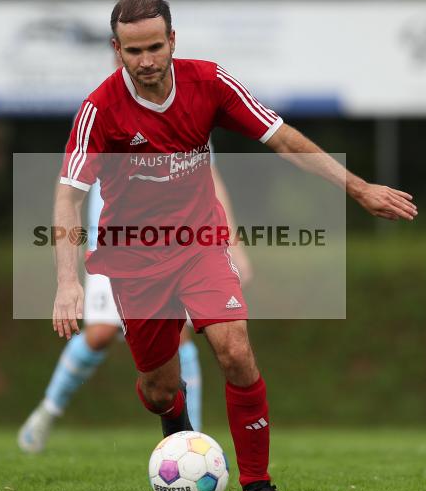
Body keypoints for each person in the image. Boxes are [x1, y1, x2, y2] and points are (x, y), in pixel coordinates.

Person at [52, 0, 416, 491]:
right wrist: (68, 282)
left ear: (172, 40)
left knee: (236, 351)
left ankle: (258, 485)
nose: (147, 60)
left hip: (201, 241)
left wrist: (358, 188)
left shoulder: (209, 81)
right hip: (135, 259)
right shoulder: (100, 109)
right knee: (159, 390)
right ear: (117, 50)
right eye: (133, 51)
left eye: (155, 47)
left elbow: (282, 137)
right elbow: (69, 196)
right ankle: (174, 425)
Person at [19, 158, 252, 453]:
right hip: (114, 240)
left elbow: (211, 177)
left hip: (178, 241)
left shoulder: (195, 113)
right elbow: (70, 183)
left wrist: (233, 244)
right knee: (100, 334)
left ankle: (192, 439)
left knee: (178, 337)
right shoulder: (103, 113)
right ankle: (48, 410)